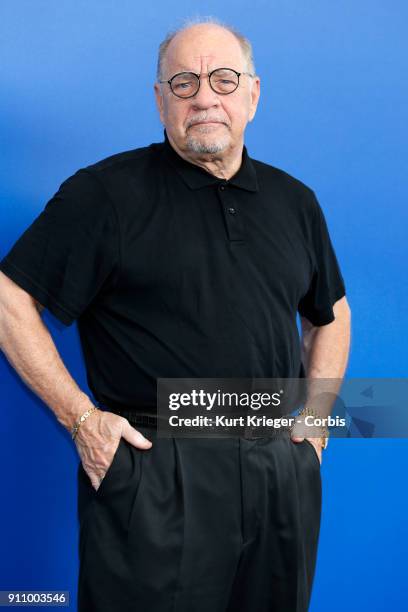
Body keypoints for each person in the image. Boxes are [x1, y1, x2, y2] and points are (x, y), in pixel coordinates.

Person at [0, 17, 351, 612]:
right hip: (156, 472)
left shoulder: (296, 202)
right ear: (160, 100)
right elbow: (9, 298)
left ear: (253, 94)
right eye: (184, 83)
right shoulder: (105, 194)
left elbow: (331, 313)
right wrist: (83, 420)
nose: (205, 97)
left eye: (222, 79)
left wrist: (315, 423)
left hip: (277, 471)